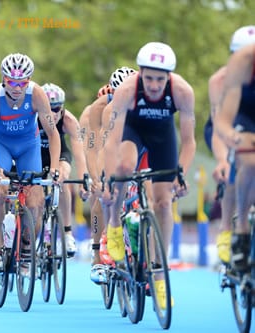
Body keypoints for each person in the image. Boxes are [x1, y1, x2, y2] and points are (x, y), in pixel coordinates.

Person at [102, 42, 195, 308]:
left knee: (164, 202)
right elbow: (111, 141)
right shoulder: (127, 90)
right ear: (140, 73)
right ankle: (115, 225)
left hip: (162, 136)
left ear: (169, 77)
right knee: (125, 166)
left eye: (160, 79)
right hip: (132, 131)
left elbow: (188, 142)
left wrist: (181, 175)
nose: (154, 85)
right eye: (149, 78)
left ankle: (159, 274)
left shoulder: (182, 91)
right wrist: (109, 179)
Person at [0, 53, 61, 271]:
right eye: (12, 82)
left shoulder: (36, 95)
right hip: (1, 144)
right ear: (4, 79)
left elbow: (53, 135)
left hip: (28, 145)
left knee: (35, 200)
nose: (17, 88)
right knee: (1, 187)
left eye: (22, 83)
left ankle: (26, 248)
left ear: (29, 81)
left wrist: (54, 168)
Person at [79, 67, 137, 284]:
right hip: (104, 144)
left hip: (129, 145)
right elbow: (93, 147)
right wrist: (96, 178)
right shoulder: (99, 108)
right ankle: (97, 256)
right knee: (101, 196)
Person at [206, 26, 255, 264]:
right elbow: (220, 126)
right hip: (229, 124)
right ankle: (231, 228)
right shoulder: (220, 81)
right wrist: (222, 159)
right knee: (237, 167)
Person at [40, 83, 89, 257]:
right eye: (47, 109)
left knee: (62, 178)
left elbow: (79, 152)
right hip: (35, 155)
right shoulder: (31, 118)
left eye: (56, 109)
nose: (52, 114)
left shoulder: (68, 120)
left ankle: (67, 232)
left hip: (60, 153)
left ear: (62, 108)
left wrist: (84, 179)